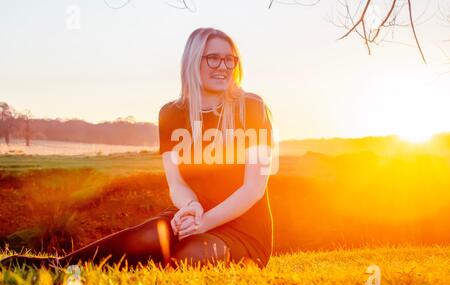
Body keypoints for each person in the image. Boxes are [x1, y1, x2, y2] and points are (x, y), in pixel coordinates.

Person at [0, 27, 275, 271]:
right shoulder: (171, 113)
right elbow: (176, 182)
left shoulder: (252, 108)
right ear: (193, 61)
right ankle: (59, 268)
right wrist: (191, 209)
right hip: (193, 216)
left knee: (189, 256)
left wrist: (204, 223)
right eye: (213, 58)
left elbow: (253, 188)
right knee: (148, 235)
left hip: (243, 229)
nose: (223, 66)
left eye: (230, 59)